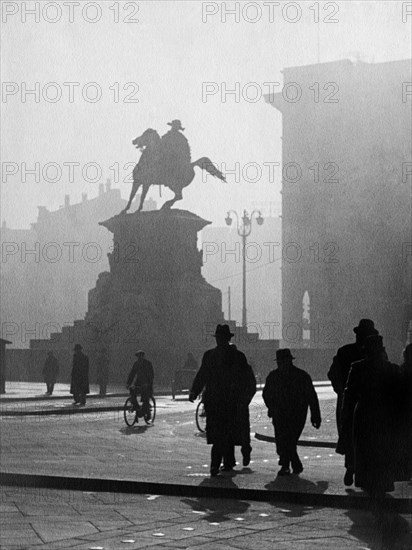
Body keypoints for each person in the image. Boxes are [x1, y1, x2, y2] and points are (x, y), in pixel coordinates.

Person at [340, 334, 401, 509]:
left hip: (364, 413)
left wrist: (346, 416)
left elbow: (349, 394)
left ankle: (367, 480)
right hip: (384, 414)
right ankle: (382, 482)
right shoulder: (391, 368)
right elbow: (398, 396)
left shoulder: (357, 368)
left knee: (365, 449)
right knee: (383, 449)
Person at [189, 324, 256, 476]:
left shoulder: (237, 357)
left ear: (226, 339)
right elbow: (202, 375)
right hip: (215, 402)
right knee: (221, 434)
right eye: (219, 338)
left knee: (225, 434)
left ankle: (220, 463)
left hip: (231, 401)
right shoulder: (211, 356)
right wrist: (194, 390)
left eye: (222, 338)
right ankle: (225, 462)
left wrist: (244, 398)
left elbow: (246, 379)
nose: (220, 340)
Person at [328, 318, 378, 486]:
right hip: (366, 402)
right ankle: (356, 468)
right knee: (362, 436)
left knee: (351, 434)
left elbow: (333, 374)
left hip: (350, 400)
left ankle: (351, 467)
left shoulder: (345, 352)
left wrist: (341, 390)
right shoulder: (376, 355)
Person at [263, 348, 321, 476]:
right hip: (292, 413)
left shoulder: (275, 376)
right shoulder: (301, 376)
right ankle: (294, 463)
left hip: (291, 414)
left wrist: (271, 407)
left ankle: (286, 465)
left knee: (286, 440)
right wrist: (315, 415)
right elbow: (312, 397)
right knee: (287, 440)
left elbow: (311, 396)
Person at [126, 350, 154, 418]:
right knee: (132, 391)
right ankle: (136, 407)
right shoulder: (136, 364)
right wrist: (128, 383)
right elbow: (132, 374)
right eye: (138, 356)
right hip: (138, 384)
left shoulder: (148, 364)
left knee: (145, 397)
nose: (139, 358)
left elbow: (151, 375)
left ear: (143, 356)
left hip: (147, 384)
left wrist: (148, 383)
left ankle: (146, 412)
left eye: (140, 356)